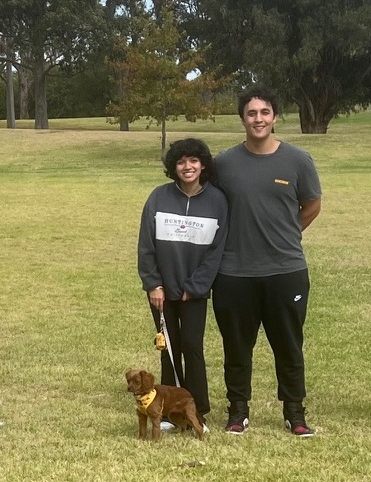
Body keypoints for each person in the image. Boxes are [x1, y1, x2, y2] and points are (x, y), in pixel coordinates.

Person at [210, 88, 321, 437]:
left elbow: (312, 205)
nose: (258, 119)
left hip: (286, 270)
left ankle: (294, 412)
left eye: (265, 112)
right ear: (242, 118)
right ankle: (237, 410)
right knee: (237, 347)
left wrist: (287, 233)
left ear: (274, 117)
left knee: (289, 345)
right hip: (233, 273)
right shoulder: (223, 164)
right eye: (251, 113)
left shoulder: (298, 160)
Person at [136, 138, 226, 429]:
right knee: (169, 349)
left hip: (194, 293)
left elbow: (216, 250)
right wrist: (153, 284)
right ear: (173, 167)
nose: (188, 167)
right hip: (161, 292)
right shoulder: (158, 197)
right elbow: (146, 245)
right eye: (181, 162)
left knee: (192, 348)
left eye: (193, 161)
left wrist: (195, 286)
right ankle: (169, 412)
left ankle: (197, 411)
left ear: (203, 165)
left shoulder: (217, 200)